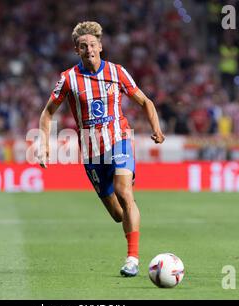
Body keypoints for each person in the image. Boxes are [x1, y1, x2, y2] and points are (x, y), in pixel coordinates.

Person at [38, 21, 165, 277]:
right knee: (118, 214)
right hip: (92, 152)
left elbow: (145, 101)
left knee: (123, 191)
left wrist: (157, 128)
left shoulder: (117, 72)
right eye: (83, 46)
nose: (89, 50)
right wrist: (43, 145)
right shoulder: (68, 79)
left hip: (119, 139)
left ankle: (132, 258)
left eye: (93, 45)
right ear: (77, 50)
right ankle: (130, 211)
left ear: (101, 46)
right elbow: (47, 113)